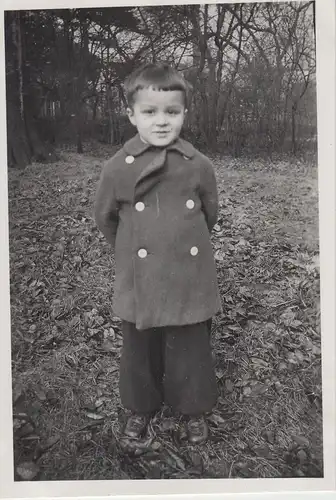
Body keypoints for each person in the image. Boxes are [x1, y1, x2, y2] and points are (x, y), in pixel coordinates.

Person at [94, 62, 221, 445]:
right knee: (139, 348)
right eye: (150, 112)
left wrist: (182, 244)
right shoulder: (117, 168)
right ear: (131, 115)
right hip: (140, 277)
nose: (161, 121)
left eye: (172, 111)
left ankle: (192, 408)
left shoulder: (199, 165)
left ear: (184, 113)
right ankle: (140, 407)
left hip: (188, 272)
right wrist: (132, 251)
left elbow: (209, 214)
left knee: (189, 346)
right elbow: (106, 219)